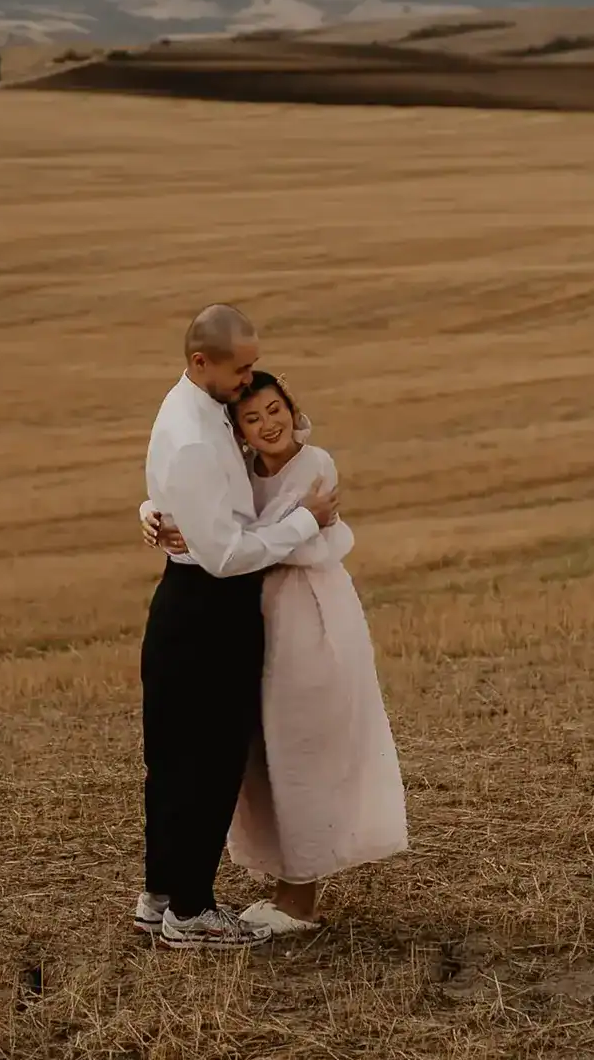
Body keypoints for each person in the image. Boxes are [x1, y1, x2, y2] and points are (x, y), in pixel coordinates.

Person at [143, 371, 407, 936]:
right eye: (252, 418)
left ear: (292, 406)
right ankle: (285, 886)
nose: (267, 424)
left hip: (307, 617)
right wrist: (157, 513)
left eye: (274, 409)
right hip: (255, 616)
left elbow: (252, 539)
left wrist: (205, 535)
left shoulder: (317, 467)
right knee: (264, 755)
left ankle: (299, 899)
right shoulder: (239, 469)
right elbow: (206, 504)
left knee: (303, 746)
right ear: (237, 431)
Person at [138, 307, 340, 950]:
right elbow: (225, 555)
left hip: (186, 598)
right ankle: (191, 912)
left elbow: (183, 499)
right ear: (203, 362)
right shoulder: (198, 432)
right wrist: (305, 522)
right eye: (242, 367)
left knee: (172, 756)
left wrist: (150, 513)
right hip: (210, 605)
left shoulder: (190, 406)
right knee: (207, 758)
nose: (250, 379)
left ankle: (161, 896)